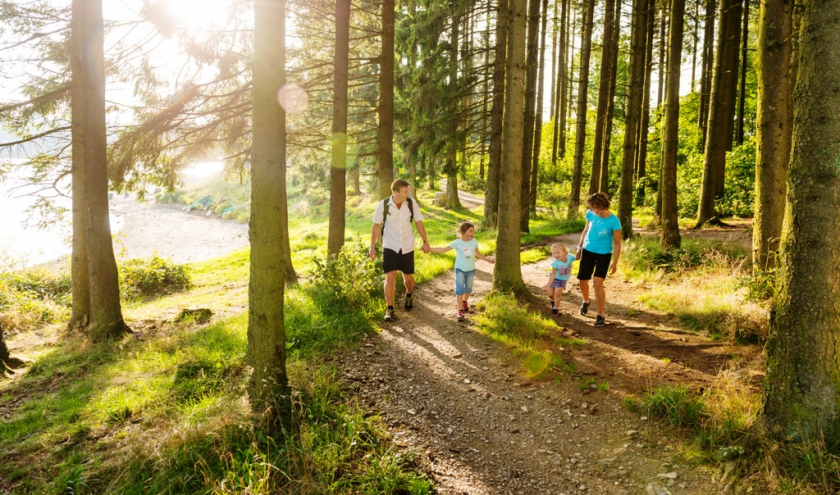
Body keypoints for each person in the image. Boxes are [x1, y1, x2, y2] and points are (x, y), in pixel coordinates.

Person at [370, 179, 431, 321]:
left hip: (407, 246)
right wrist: (372, 247)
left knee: (408, 278)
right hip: (390, 245)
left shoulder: (411, 203)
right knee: (390, 276)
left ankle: (409, 294)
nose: (407, 193)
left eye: (408, 190)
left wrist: (425, 242)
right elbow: (376, 226)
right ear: (395, 192)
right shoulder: (383, 205)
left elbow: (419, 222)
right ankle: (389, 309)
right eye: (405, 191)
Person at [428, 221, 494, 321]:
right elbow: (443, 249)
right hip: (459, 269)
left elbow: (478, 254)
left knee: (468, 289)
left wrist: (487, 260)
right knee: (459, 289)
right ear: (463, 232)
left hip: (470, 270)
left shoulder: (474, 241)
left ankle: (464, 301)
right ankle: (460, 311)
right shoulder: (457, 243)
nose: (473, 233)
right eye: (470, 231)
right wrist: (430, 249)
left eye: (473, 231)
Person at [574, 192, 622, 327]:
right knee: (583, 281)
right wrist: (579, 247)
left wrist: (615, 262)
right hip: (588, 251)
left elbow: (618, 243)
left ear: (602, 206)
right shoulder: (590, 214)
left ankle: (600, 315)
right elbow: (585, 230)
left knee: (597, 284)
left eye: (594, 207)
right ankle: (586, 301)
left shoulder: (614, 221)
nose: (592, 210)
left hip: (604, 254)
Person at [542, 243, 576, 316]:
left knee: (558, 292)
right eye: (554, 253)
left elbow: (578, 257)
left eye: (558, 252)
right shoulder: (555, 263)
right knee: (550, 295)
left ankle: (555, 308)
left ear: (564, 252)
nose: (556, 255)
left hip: (563, 279)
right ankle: (554, 301)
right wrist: (548, 285)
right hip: (554, 278)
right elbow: (553, 274)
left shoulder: (570, 257)